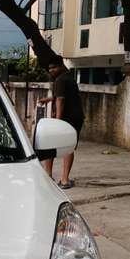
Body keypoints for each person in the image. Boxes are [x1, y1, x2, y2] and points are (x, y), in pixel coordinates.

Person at [37, 60, 84, 188]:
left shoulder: (60, 80)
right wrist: (49, 99)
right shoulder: (68, 78)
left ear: (61, 66)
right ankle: (57, 178)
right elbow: (62, 96)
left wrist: (57, 121)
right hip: (75, 117)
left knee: (63, 146)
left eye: (54, 67)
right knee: (59, 145)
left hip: (68, 118)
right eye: (50, 68)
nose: (51, 70)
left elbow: (60, 100)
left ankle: (61, 179)